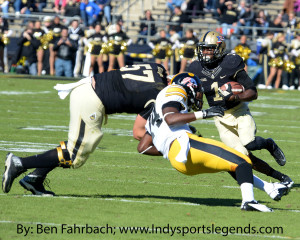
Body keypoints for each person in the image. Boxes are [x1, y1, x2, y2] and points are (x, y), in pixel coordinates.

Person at [2, 63, 169, 196]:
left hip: (91, 86)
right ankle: (19, 163)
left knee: (79, 146)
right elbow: (138, 133)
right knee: (75, 155)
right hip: (91, 99)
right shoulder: (157, 96)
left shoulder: (158, 68)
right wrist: (169, 148)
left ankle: (34, 178)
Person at [137, 73, 283, 212]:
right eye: (200, 91)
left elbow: (143, 147)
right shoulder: (176, 89)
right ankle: (249, 201)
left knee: (231, 164)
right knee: (242, 160)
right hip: (186, 146)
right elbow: (170, 118)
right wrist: (204, 113)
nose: (200, 96)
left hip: (178, 161)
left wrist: (167, 149)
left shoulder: (155, 110)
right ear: (190, 85)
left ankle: (269, 188)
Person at [187, 31, 293, 192]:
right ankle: (281, 177)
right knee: (243, 158)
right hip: (220, 117)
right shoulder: (195, 67)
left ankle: (268, 144)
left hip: (238, 111)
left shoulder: (230, 62)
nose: (206, 53)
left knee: (249, 142)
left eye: (210, 49)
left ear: (219, 48)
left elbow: (253, 92)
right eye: (203, 49)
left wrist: (236, 98)